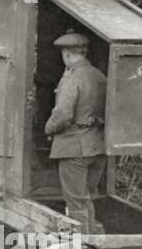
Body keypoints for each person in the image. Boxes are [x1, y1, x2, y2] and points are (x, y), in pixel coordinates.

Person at [43, 30, 107, 233]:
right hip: (97, 145)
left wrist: (48, 128)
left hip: (74, 147)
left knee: (76, 203)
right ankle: (93, 246)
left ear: (68, 54)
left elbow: (62, 114)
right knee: (87, 197)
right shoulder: (99, 75)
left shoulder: (72, 77)